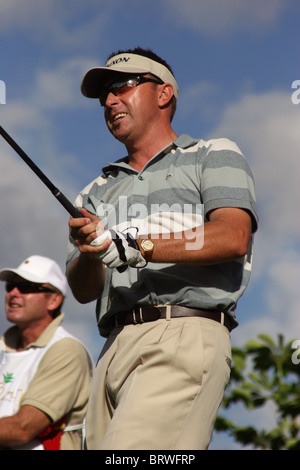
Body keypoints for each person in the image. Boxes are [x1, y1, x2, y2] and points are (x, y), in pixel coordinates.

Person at [66, 47, 258, 450]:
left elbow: (231, 235)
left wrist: (139, 246)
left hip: (185, 332)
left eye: (122, 87)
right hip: (113, 345)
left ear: (164, 93)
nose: (109, 101)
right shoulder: (94, 190)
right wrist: (90, 251)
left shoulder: (212, 154)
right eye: (105, 96)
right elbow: (83, 290)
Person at [0, 255, 93, 450]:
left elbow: (22, 428)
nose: (13, 293)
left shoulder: (66, 350)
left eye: (27, 287)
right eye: (10, 286)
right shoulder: (3, 348)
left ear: (54, 300)